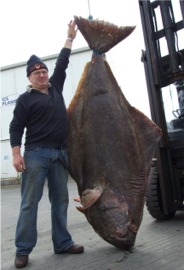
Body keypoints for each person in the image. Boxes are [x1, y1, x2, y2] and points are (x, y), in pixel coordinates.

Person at [9, 20, 84, 269]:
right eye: (36, 72)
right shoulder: (24, 100)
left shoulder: (56, 89)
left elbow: (62, 62)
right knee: (30, 203)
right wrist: (16, 154)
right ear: (30, 78)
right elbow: (15, 128)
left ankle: (62, 242)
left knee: (61, 200)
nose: (42, 74)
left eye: (44, 71)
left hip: (60, 154)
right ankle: (22, 249)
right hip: (36, 155)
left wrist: (70, 39)